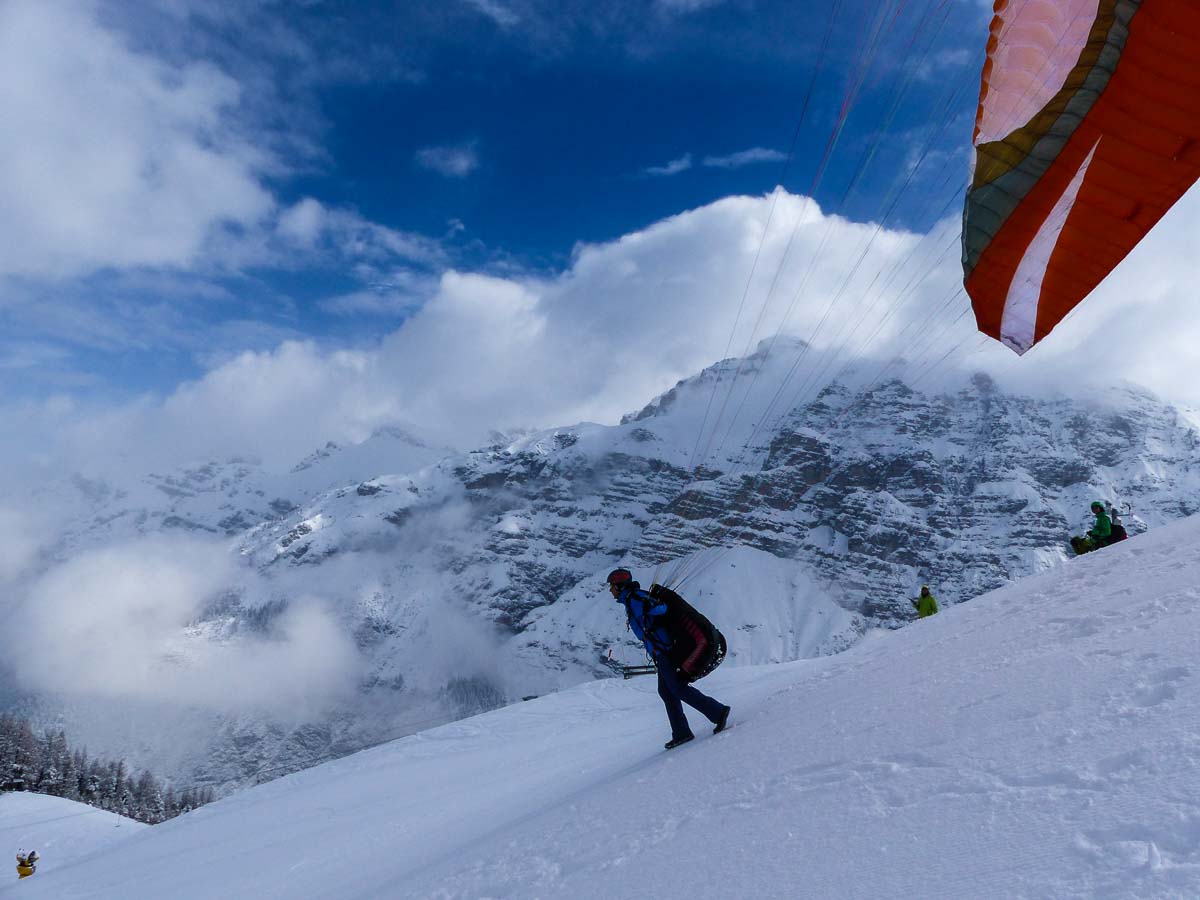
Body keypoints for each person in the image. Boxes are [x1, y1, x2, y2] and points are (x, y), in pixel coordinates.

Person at [607, 568, 730, 750]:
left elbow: (661, 608)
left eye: (611, 586)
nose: (610, 590)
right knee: (666, 691)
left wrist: (651, 608)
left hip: (665, 651)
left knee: (677, 688)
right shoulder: (631, 600)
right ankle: (681, 732)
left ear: (619, 585)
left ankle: (717, 712)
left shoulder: (636, 598)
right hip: (660, 652)